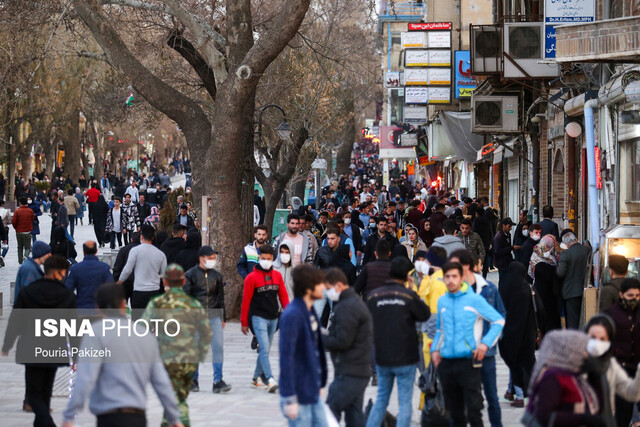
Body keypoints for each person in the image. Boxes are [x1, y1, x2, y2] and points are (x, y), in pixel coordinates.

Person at [61, 283, 183, 427]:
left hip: (108, 417)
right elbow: (161, 381)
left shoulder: (96, 333)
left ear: (98, 309)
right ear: (124, 304)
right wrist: (174, 417)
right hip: (138, 416)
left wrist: (69, 415)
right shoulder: (144, 334)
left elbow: (86, 378)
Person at [2, 256, 77, 427]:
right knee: (45, 393)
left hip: (31, 346)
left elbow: (16, 319)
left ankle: (45, 423)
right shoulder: (67, 295)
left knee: (34, 394)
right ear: (58, 273)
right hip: (55, 349)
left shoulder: (29, 291)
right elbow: (74, 329)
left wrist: (8, 344)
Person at [431, 262, 505, 427]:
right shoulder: (442, 301)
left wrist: (485, 344)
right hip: (447, 363)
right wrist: (435, 349)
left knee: (473, 412)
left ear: (461, 278)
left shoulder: (473, 299)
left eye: (454, 276)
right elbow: (439, 329)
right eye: (447, 277)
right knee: (454, 413)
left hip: (468, 362)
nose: (450, 280)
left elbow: (498, 320)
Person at [142, 264, 211, 426]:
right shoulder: (193, 304)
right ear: (183, 281)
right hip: (188, 359)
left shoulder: (157, 303)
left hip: (165, 359)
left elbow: (143, 329)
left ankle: (174, 422)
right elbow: (206, 332)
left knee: (173, 397)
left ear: (165, 281)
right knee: (179, 397)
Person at [365, 257, 430, 427]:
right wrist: (412, 290)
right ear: (407, 276)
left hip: (382, 356)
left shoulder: (374, 296)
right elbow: (425, 315)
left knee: (381, 400)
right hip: (405, 357)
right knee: (405, 402)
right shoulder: (408, 295)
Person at [449, 249, 507, 422]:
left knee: (492, 398)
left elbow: (500, 316)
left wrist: (488, 343)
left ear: (466, 266)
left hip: (485, 354)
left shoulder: (488, 289)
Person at [323, 268, 373, 427]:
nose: (327, 292)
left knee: (330, 411)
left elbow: (342, 341)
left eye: (328, 288)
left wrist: (319, 338)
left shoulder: (347, 306)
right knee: (354, 417)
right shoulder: (351, 302)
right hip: (358, 370)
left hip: (351, 371)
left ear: (338, 285)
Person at [279, 264, 328, 427]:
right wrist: (289, 397)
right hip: (298, 393)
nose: (324, 286)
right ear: (309, 289)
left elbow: (315, 350)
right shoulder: (292, 315)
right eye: (320, 283)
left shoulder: (310, 311)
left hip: (311, 389)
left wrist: (319, 383)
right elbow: (286, 358)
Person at [524, 330, 604, 426]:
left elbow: (596, 409)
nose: (588, 354)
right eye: (584, 350)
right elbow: (543, 416)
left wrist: (595, 377)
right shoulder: (552, 378)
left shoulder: (575, 376)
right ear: (572, 352)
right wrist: (581, 419)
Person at [241, 245, 290, 392]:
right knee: (263, 347)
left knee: (266, 350)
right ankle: (269, 379)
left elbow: (283, 296)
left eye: (269, 259)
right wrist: (244, 322)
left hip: (273, 317)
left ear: (273, 259)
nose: (266, 261)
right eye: (263, 258)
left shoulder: (277, 276)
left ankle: (255, 378)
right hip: (258, 317)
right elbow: (246, 301)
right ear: (259, 258)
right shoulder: (251, 278)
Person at [184, 246, 231, 393]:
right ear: (201, 259)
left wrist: (222, 317)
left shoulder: (216, 276)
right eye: (210, 258)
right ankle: (193, 380)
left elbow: (220, 298)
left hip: (214, 316)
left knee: (218, 348)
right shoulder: (190, 275)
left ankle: (218, 380)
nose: (212, 261)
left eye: (213, 259)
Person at [585, 314, 640, 422]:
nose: (597, 343)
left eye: (602, 339)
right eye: (593, 337)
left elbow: (630, 393)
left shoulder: (611, 366)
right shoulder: (572, 364)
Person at [498, 262, 538, 409]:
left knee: (512, 362)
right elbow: (538, 310)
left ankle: (515, 393)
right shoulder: (527, 289)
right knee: (524, 362)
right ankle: (517, 390)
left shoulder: (504, 288)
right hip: (527, 334)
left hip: (509, 332)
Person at [606, 278, 640, 426]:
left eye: (638, 296)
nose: (634, 299)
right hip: (621, 368)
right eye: (630, 296)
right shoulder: (611, 314)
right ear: (621, 295)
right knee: (623, 411)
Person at [117, 225, 167, 319]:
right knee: (153, 321)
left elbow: (127, 270)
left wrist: (119, 282)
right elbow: (164, 275)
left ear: (141, 236)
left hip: (139, 291)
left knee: (137, 321)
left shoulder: (135, 251)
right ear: (153, 237)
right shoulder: (160, 254)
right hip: (154, 291)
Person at [557, 232, 591, 329]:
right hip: (587, 290)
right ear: (576, 239)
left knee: (572, 321)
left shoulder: (566, 254)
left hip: (570, 291)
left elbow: (560, 273)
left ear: (566, 244)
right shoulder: (587, 250)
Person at [65, 241, 114, 308]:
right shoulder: (104, 268)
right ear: (96, 251)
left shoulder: (75, 269)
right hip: (99, 308)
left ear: (83, 252)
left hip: (81, 306)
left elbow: (68, 289)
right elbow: (111, 288)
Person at [529, 235, 562, 333]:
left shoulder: (535, 254)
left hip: (538, 287)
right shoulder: (550, 258)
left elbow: (530, 273)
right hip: (548, 291)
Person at [113, 232, 141, 304]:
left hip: (124, 281)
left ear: (131, 239)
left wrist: (116, 279)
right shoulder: (142, 250)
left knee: (122, 304)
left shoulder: (123, 250)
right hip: (138, 282)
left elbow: (118, 266)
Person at [493, 217, 518, 287]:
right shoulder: (499, 237)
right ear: (503, 226)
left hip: (507, 262)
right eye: (509, 226)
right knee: (503, 282)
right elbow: (498, 251)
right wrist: (511, 248)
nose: (510, 229)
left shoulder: (508, 235)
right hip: (501, 263)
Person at [12, 196, 34, 264]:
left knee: (20, 247)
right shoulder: (30, 211)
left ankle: (20, 260)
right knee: (28, 247)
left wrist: (16, 228)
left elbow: (14, 222)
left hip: (19, 231)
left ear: (20, 203)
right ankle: (25, 256)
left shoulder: (17, 211)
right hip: (27, 232)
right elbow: (32, 219)